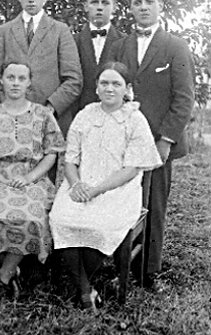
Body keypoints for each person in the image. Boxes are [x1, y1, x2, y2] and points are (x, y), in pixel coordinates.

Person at [49, 62, 162, 310]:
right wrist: (76, 184)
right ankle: (85, 290)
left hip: (119, 190)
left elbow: (131, 170)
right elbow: (70, 160)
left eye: (116, 84)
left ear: (127, 88)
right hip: (80, 184)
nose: (109, 88)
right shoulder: (85, 115)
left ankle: (80, 286)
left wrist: (97, 190)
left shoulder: (135, 120)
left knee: (100, 225)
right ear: (96, 87)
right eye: (104, 83)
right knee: (60, 219)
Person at [110, 0, 195, 288]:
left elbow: (184, 98)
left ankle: (149, 271)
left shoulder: (175, 46)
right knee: (123, 200)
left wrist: (166, 140)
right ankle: (121, 265)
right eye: (137, 2)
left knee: (154, 204)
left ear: (160, 5)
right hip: (123, 139)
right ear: (130, 8)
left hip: (159, 142)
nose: (143, 7)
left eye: (149, 1)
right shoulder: (120, 46)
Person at [0, 61, 65, 299]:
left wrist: (29, 177)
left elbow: (51, 154)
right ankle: (4, 265)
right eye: (10, 78)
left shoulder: (43, 115)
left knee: (29, 216)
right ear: (2, 81)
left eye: (21, 78)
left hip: (32, 178)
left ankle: (4, 275)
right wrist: (0, 179)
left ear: (29, 82)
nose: (16, 83)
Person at [0, 0, 82, 137]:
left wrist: (50, 109)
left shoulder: (60, 31)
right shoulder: (3, 32)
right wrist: (11, 108)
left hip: (51, 123)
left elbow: (73, 80)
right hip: (11, 123)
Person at [73, 0, 125, 113]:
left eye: (105, 3)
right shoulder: (71, 42)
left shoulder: (126, 42)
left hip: (115, 115)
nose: (100, 8)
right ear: (86, 6)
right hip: (79, 115)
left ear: (114, 7)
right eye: (94, 2)